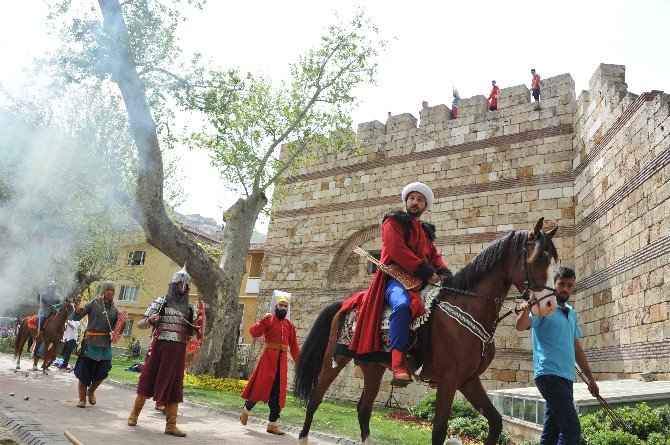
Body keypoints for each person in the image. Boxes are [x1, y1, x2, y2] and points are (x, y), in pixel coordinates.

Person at [340, 182, 452, 384]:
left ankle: (431, 363)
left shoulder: (425, 232)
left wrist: (444, 272)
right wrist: (425, 270)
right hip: (394, 280)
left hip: (420, 282)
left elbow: (434, 256)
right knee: (402, 306)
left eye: (419, 199)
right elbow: (396, 250)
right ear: (406, 201)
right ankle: (398, 363)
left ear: (425, 205)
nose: (415, 202)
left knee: (443, 309)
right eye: (411, 198)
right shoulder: (393, 222)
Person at [515, 267, 599, 445]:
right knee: (571, 428)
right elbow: (521, 326)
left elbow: (577, 349)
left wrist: (591, 379)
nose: (565, 289)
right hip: (549, 375)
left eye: (570, 285)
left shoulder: (572, 313)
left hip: (566, 378)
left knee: (552, 432)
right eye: (561, 284)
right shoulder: (544, 308)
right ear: (553, 284)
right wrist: (524, 312)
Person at [127, 266, 197, 437]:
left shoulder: (189, 309)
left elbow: (193, 332)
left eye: (185, 285)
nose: (183, 287)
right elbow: (140, 324)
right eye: (180, 284)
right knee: (147, 379)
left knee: (175, 386)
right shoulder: (161, 302)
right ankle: (134, 415)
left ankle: (171, 425)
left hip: (178, 351)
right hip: (160, 347)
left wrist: (198, 327)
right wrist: (151, 320)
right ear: (174, 285)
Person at [239, 294, 300, 435]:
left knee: (278, 393)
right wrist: (262, 321)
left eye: (286, 306)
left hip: (282, 362)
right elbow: (253, 333)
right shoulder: (268, 319)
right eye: (281, 305)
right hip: (268, 360)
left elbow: (294, 347)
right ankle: (246, 409)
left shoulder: (290, 325)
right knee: (259, 387)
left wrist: (300, 363)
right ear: (276, 306)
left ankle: (272, 424)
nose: (283, 308)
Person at [72, 281, 119, 408]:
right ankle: (82, 399)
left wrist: (118, 331)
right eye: (107, 289)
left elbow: (117, 328)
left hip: (105, 343)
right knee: (84, 371)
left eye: (111, 290)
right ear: (102, 291)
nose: (109, 292)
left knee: (104, 370)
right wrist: (77, 312)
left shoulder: (115, 309)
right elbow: (77, 318)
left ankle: (91, 392)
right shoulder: (93, 303)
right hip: (90, 341)